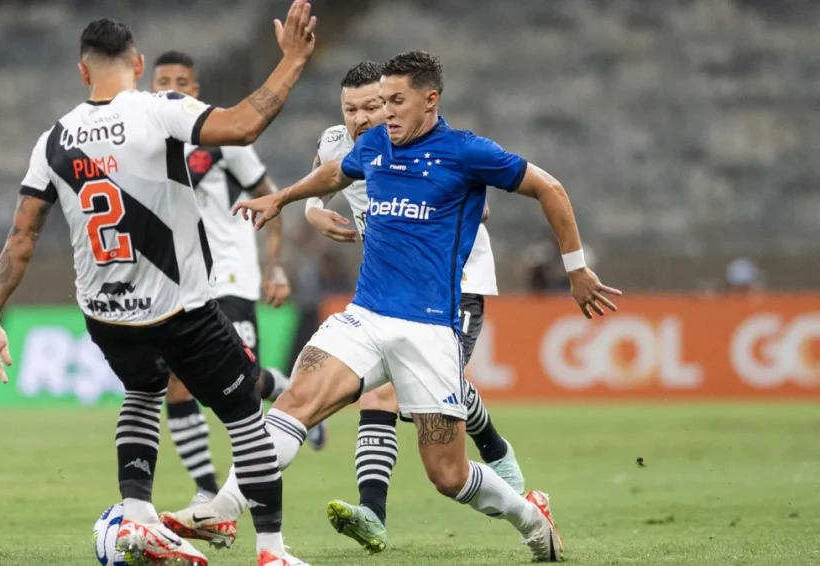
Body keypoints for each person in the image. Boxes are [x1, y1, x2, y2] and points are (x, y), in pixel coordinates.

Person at [165, 51, 622, 563]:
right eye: (381, 102)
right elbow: (335, 173)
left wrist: (576, 268)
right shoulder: (377, 144)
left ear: (430, 100)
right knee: (295, 403)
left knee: (447, 475)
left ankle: (531, 518)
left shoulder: (467, 152)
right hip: (365, 316)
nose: (385, 114)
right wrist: (287, 201)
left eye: (395, 102)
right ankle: (225, 506)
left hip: (429, 330)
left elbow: (548, 187)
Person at [0, 6, 318, 566]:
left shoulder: (53, 140)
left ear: (83, 73)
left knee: (142, 391)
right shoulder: (161, 110)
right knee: (245, 419)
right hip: (180, 306)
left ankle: (137, 521)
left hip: (106, 314)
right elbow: (243, 125)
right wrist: (294, 61)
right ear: (137, 64)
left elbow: (20, 239)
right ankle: (272, 551)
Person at [300, 60, 523, 554]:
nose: (360, 118)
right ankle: (373, 515)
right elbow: (315, 193)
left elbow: (478, 203)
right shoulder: (338, 143)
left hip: (453, 281)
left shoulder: (433, 148)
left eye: (371, 107)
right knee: (380, 395)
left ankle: (494, 450)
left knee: (417, 398)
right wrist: (318, 216)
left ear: (392, 102)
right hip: (391, 290)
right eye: (350, 109)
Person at [148, 50, 326, 506]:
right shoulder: (144, 143)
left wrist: (276, 265)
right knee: (177, 383)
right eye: (162, 80)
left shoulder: (223, 137)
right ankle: (206, 490)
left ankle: (288, 391)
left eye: (181, 82)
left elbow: (270, 198)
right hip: (181, 281)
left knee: (241, 384)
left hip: (229, 274)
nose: (170, 87)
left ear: (195, 90)